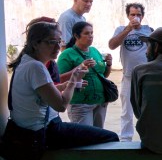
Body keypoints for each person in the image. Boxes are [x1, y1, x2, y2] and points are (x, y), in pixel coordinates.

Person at [2, 21, 118, 153]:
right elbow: (61, 105)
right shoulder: (36, 66)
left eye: (59, 41)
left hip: (36, 126)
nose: (58, 47)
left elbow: (42, 93)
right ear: (35, 44)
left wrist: (64, 86)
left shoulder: (27, 61)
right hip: (44, 129)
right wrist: (73, 79)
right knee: (111, 137)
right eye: (51, 42)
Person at [108, 3, 154, 141]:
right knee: (126, 110)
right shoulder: (121, 29)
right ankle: (126, 138)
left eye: (138, 15)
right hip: (128, 76)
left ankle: (147, 137)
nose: (136, 17)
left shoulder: (149, 30)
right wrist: (128, 29)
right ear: (128, 16)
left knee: (147, 109)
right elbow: (112, 45)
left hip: (146, 76)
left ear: (143, 16)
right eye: (132, 14)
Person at [57, 21, 114, 128]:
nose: (90, 36)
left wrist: (109, 65)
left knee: (99, 136)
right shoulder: (67, 54)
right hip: (80, 103)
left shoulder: (94, 51)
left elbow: (103, 75)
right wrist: (80, 66)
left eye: (92, 33)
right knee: (84, 138)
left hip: (100, 101)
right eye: (86, 33)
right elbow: (59, 78)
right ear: (76, 35)